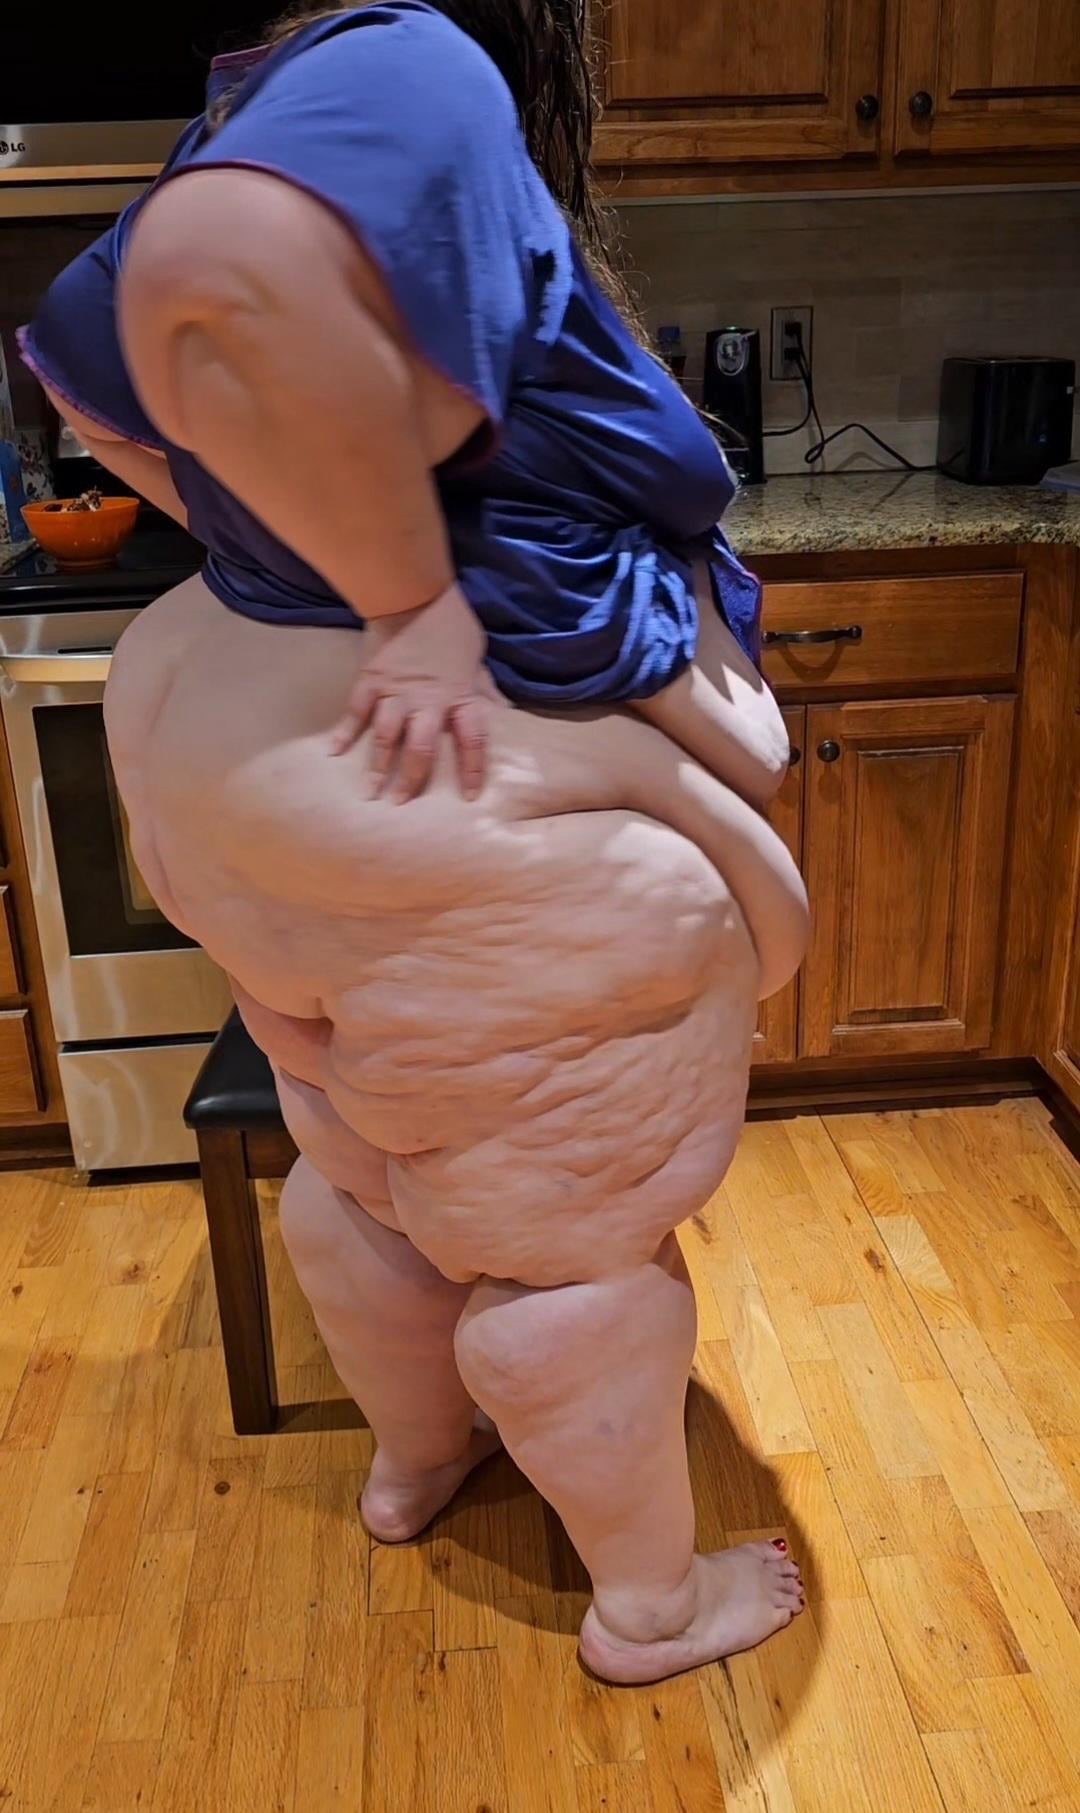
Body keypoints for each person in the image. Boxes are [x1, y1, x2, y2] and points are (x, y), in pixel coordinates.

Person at [22, 0, 809, 1685]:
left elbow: (84, 358)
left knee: (368, 1159)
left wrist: (289, 545)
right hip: (448, 805)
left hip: (255, 764)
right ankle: (651, 1607)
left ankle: (416, 1455)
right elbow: (229, 271)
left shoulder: (252, 108)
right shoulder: (413, 59)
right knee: (567, 1249)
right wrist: (407, 601)